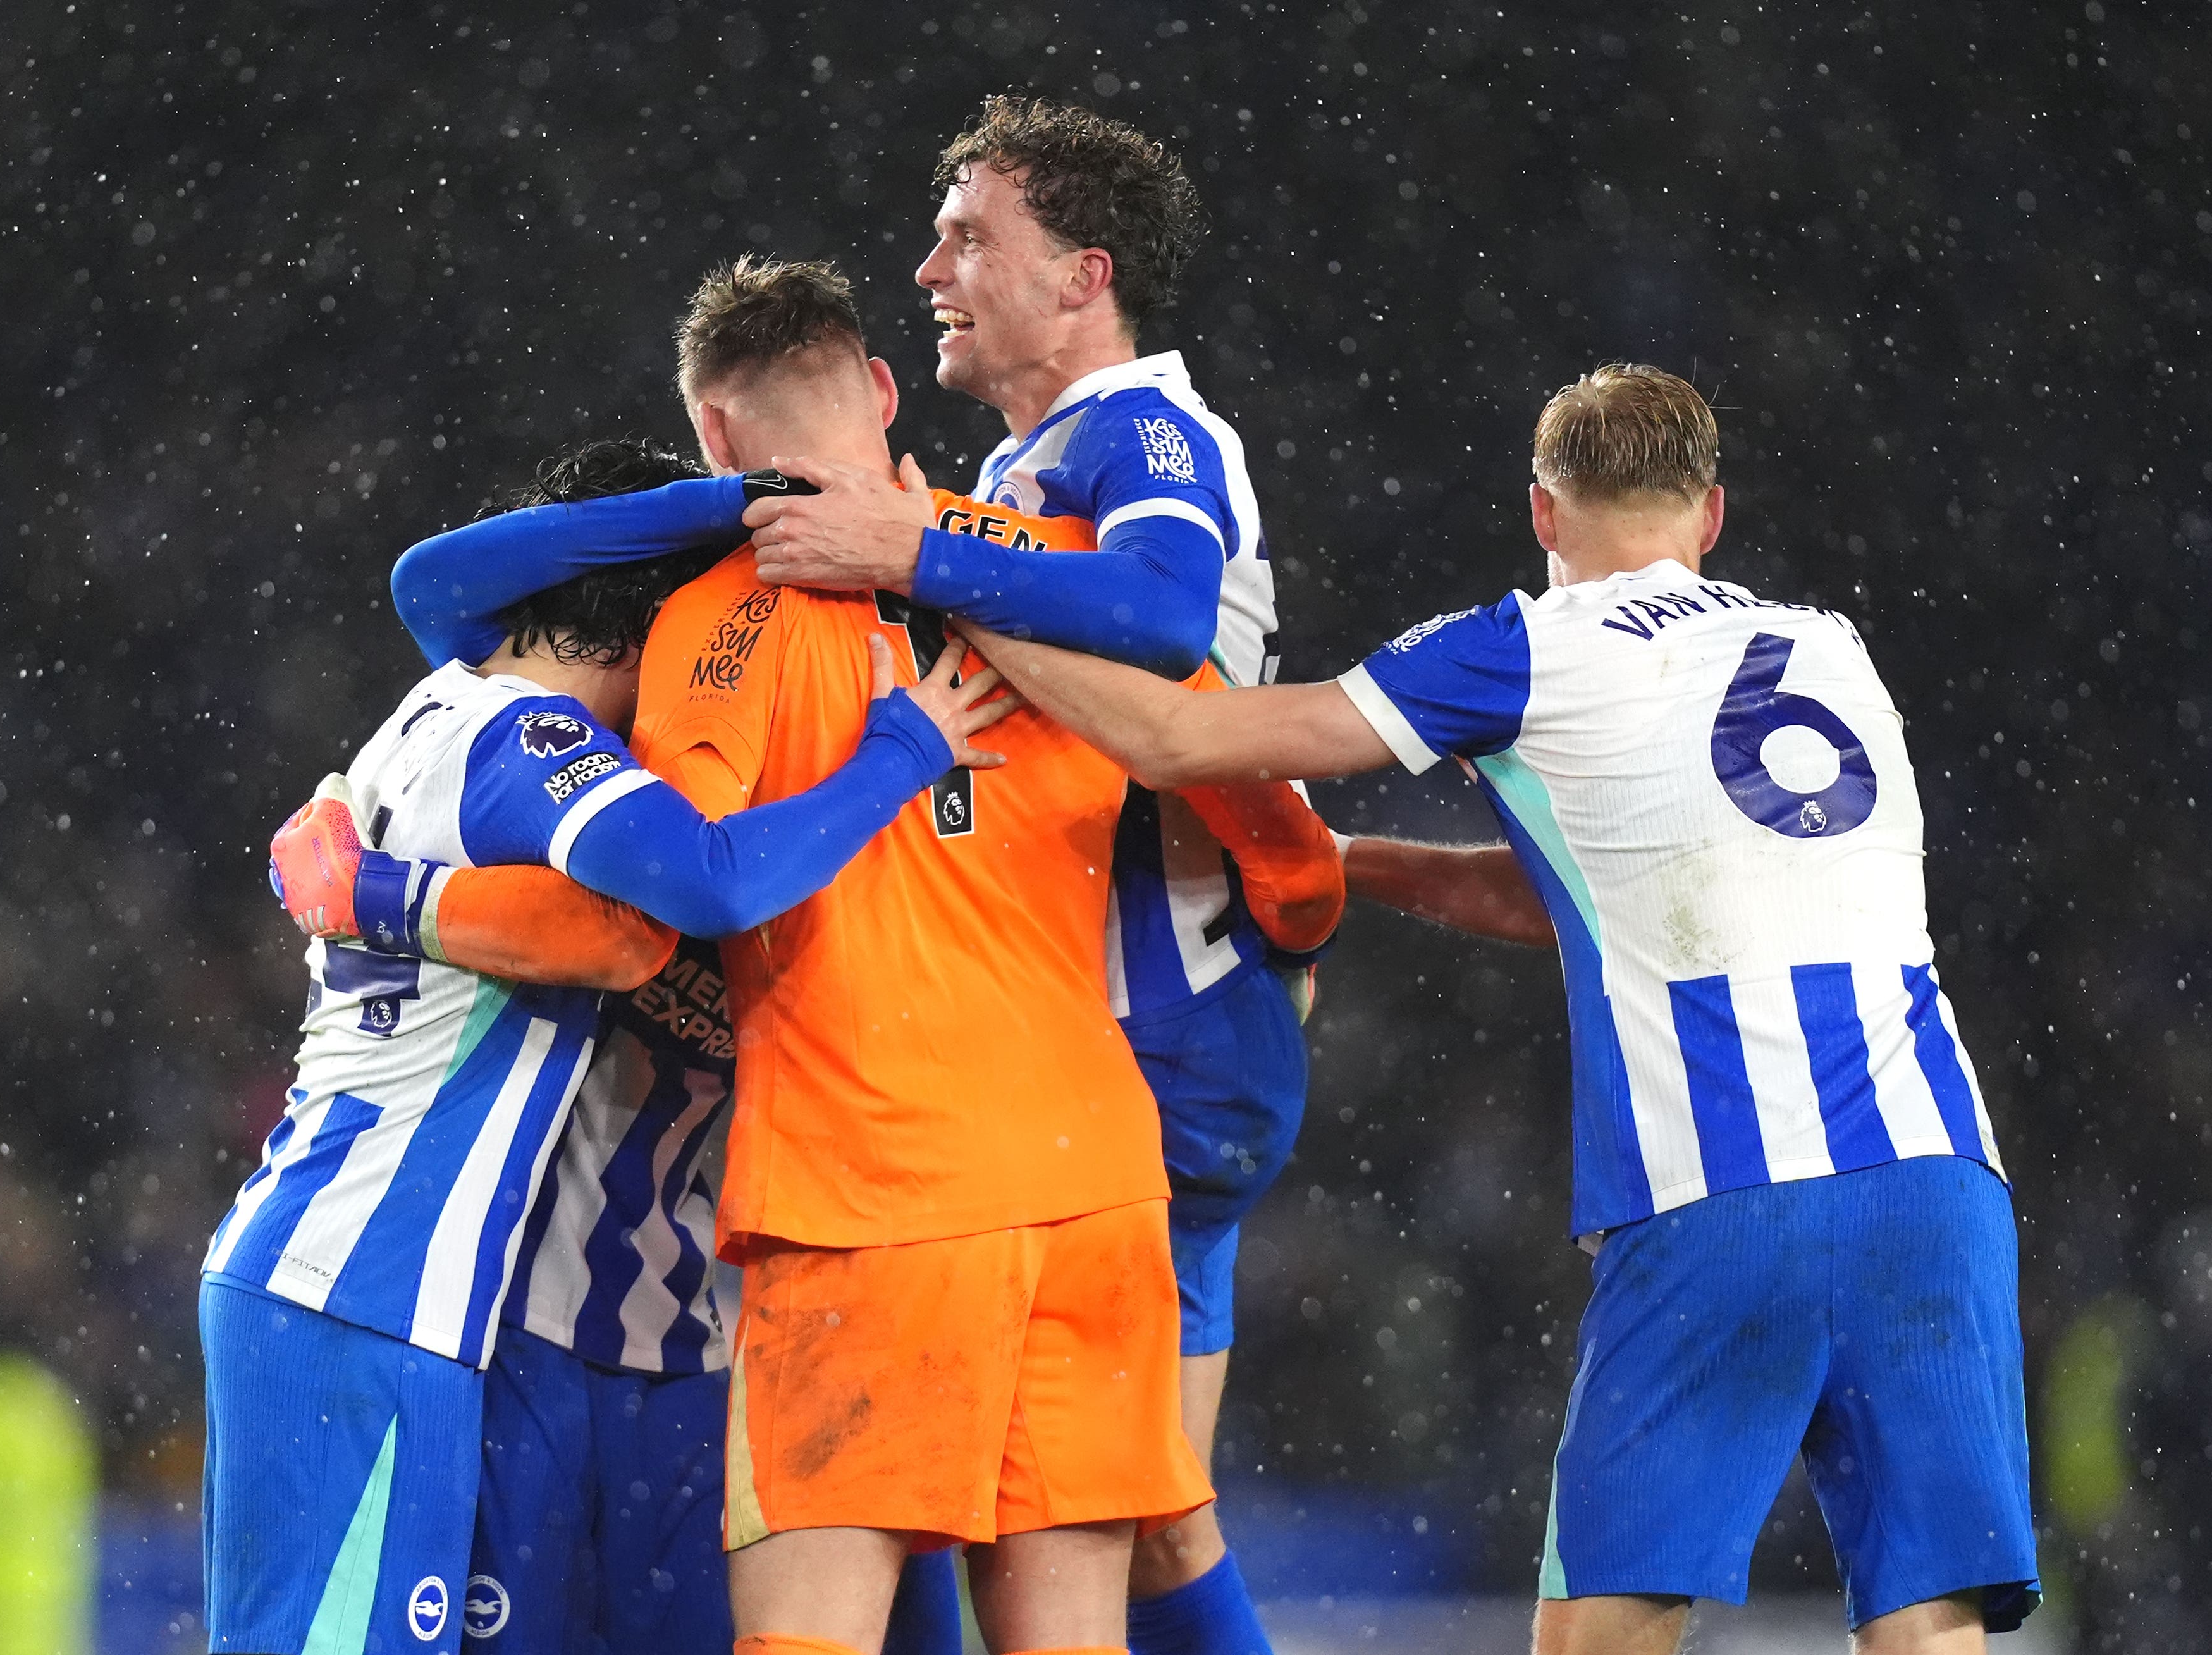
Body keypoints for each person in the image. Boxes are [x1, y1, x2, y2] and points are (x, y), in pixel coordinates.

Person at [954, 365, 2039, 1655]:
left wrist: (956, 587)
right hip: (1937, 1176)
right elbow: (1591, 892)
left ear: (1541, 513)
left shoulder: (1524, 645)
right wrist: (1351, 862)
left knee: (1600, 1631)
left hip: (1724, 1185)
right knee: (1928, 1622)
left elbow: (1185, 744)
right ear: (1710, 516)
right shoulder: (1829, 644)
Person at [204, 436, 1009, 1655]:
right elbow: (701, 884)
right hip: (356, 1283)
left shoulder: (446, 704)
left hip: (382, 1298)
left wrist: (375, 894)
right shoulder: (521, 733)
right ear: (654, 626)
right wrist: (903, 750)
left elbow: (610, 936)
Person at [734, 97, 1328, 1655]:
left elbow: (1153, 608)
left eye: (968, 233)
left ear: (1084, 276)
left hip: (1148, 1018)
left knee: (1060, 1500)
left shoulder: (1142, 427)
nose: (928, 263)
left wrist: (907, 551)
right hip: (1106, 1024)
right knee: (1052, 1500)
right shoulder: (1032, 458)